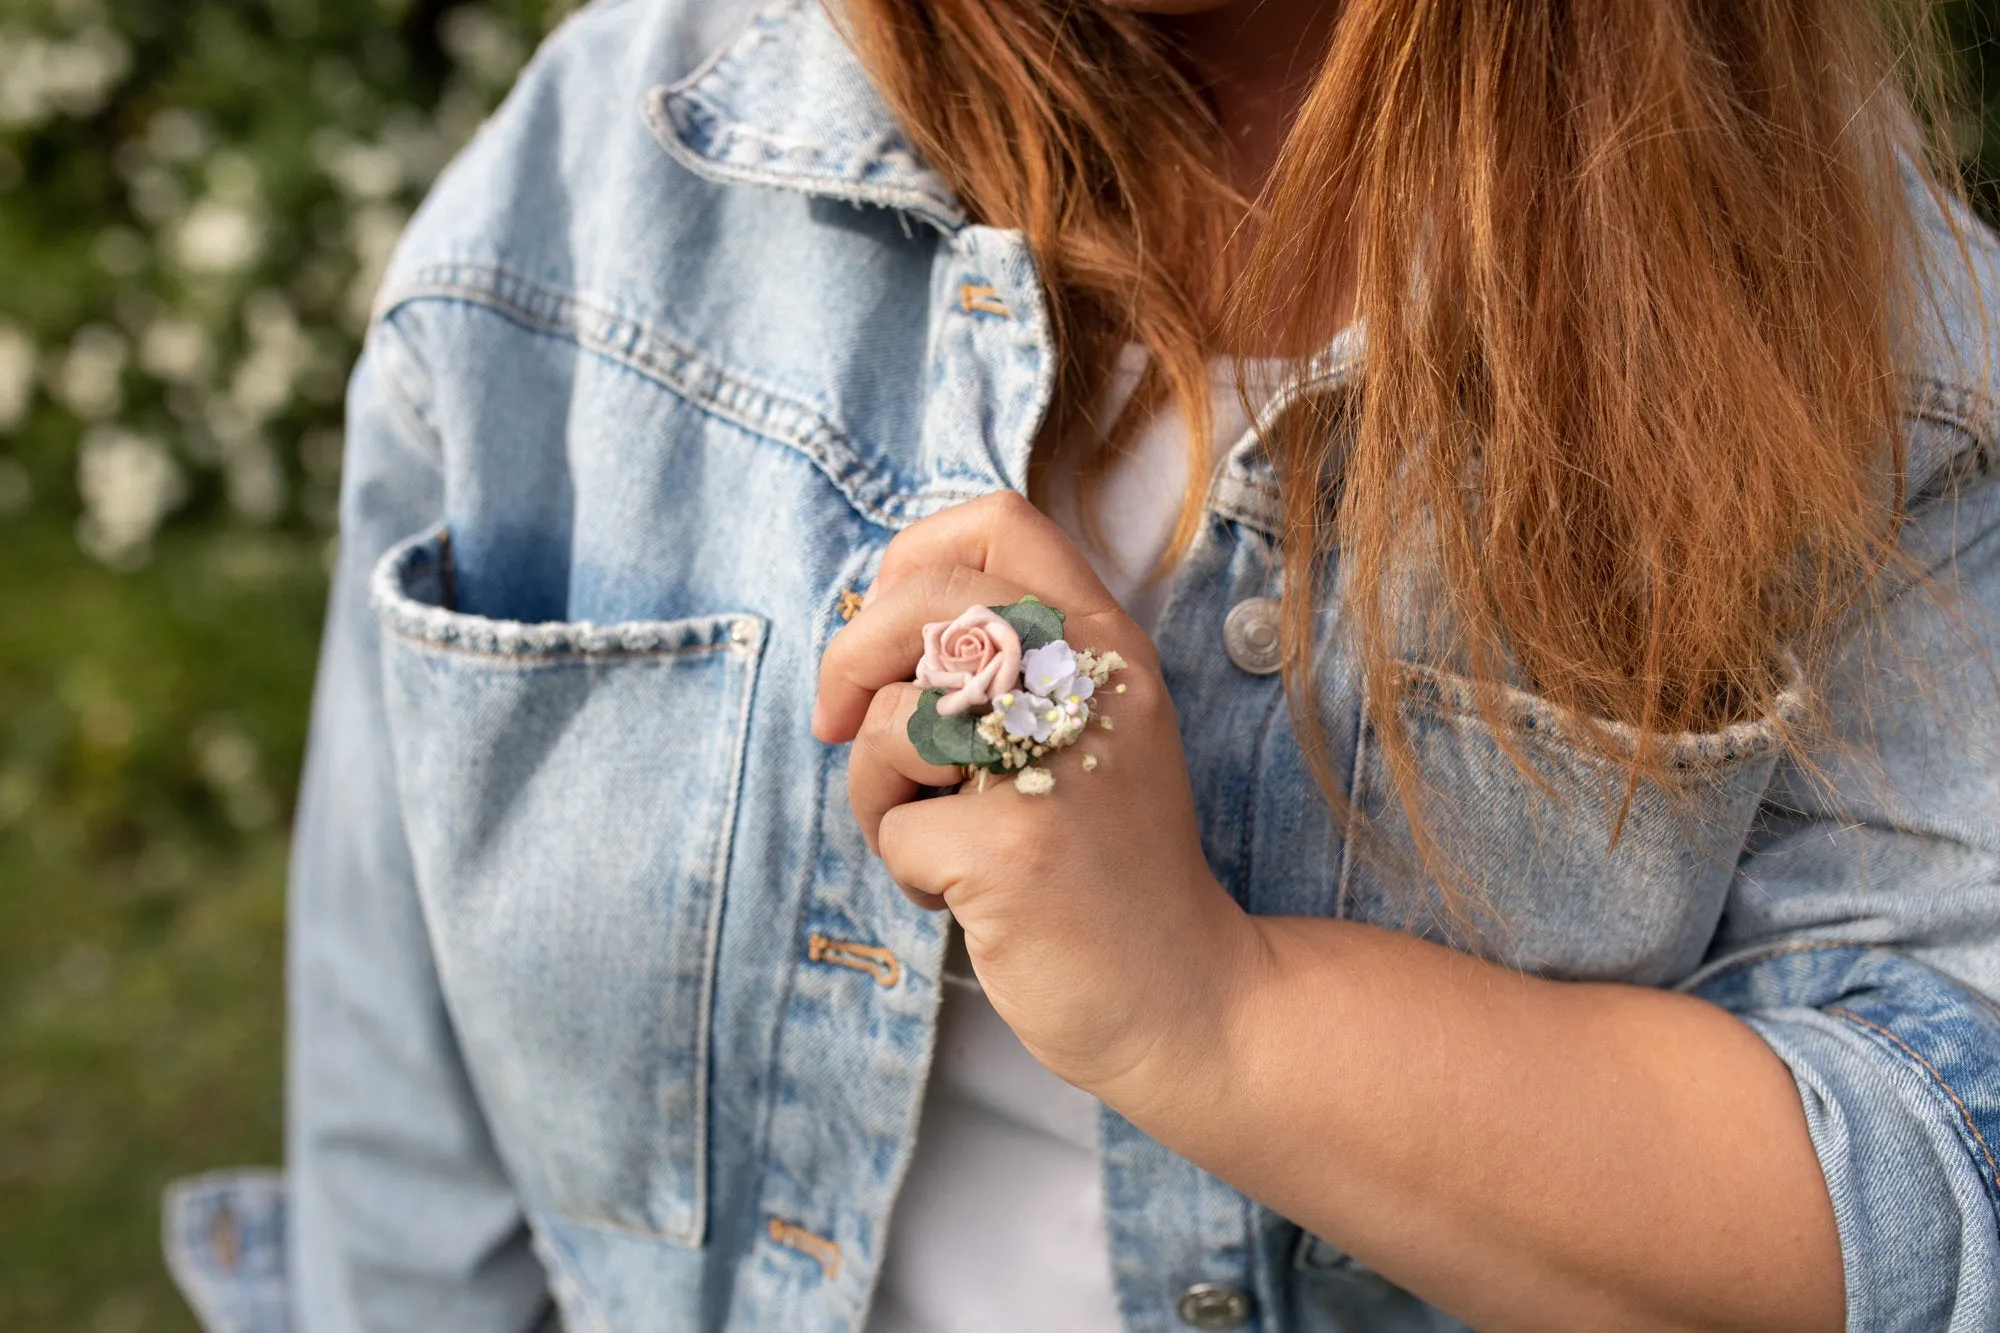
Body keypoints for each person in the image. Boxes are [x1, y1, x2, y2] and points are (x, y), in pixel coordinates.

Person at [163, 0, 2000, 1330]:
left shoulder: (1877, 358)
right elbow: (402, 1140)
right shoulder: (592, 194)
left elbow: (1939, 1179)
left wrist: (1217, 1011)